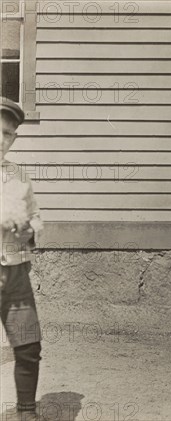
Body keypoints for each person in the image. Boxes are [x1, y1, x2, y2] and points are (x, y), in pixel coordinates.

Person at [1, 97, 43, 420]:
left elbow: (35, 218)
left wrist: (28, 229)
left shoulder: (19, 176)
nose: (3, 140)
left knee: (28, 346)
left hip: (15, 274)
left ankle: (26, 412)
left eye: (9, 134)